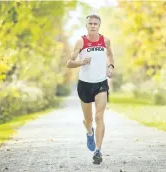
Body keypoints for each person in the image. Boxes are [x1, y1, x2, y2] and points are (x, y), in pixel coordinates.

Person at [66, 13, 114, 165]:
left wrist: (111, 67)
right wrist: (81, 62)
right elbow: (69, 63)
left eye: (95, 23)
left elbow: (110, 55)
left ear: (99, 26)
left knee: (99, 117)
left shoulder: (105, 40)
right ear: (86, 25)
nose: (93, 25)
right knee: (88, 120)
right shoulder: (81, 41)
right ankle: (89, 132)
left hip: (101, 83)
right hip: (85, 84)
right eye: (90, 23)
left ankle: (98, 151)